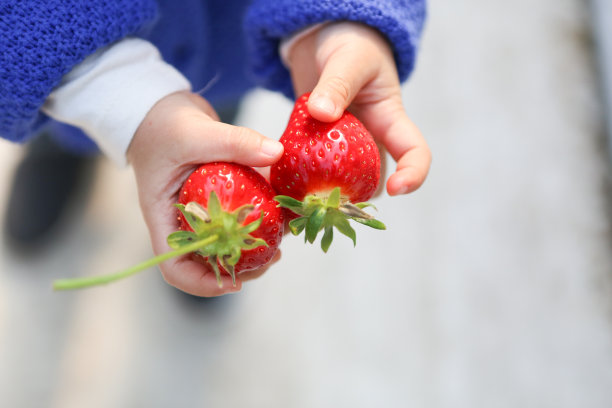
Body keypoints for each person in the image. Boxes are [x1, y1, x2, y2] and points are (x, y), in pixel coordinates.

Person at [0, 0, 431, 297]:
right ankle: (62, 157)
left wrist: (342, 19)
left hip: (227, 42)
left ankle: (220, 244)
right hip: (59, 50)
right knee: (69, 126)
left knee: (222, 131)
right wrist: (108, 88)